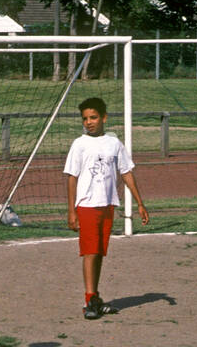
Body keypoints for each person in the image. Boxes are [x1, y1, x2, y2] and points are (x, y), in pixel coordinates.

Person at [63, 97, 149, 321]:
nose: (89, 122)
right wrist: (72, 211)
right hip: (87, 206)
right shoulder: (79, 144)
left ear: (104, 117)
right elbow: (72, 178)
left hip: (107, 204)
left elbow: (126, 173)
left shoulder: (114, 144)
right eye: (85, 119)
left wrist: (140, 203)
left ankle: (96, 297)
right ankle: (89, 299)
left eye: (93, 117)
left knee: (99, 251)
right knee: (90, 252)